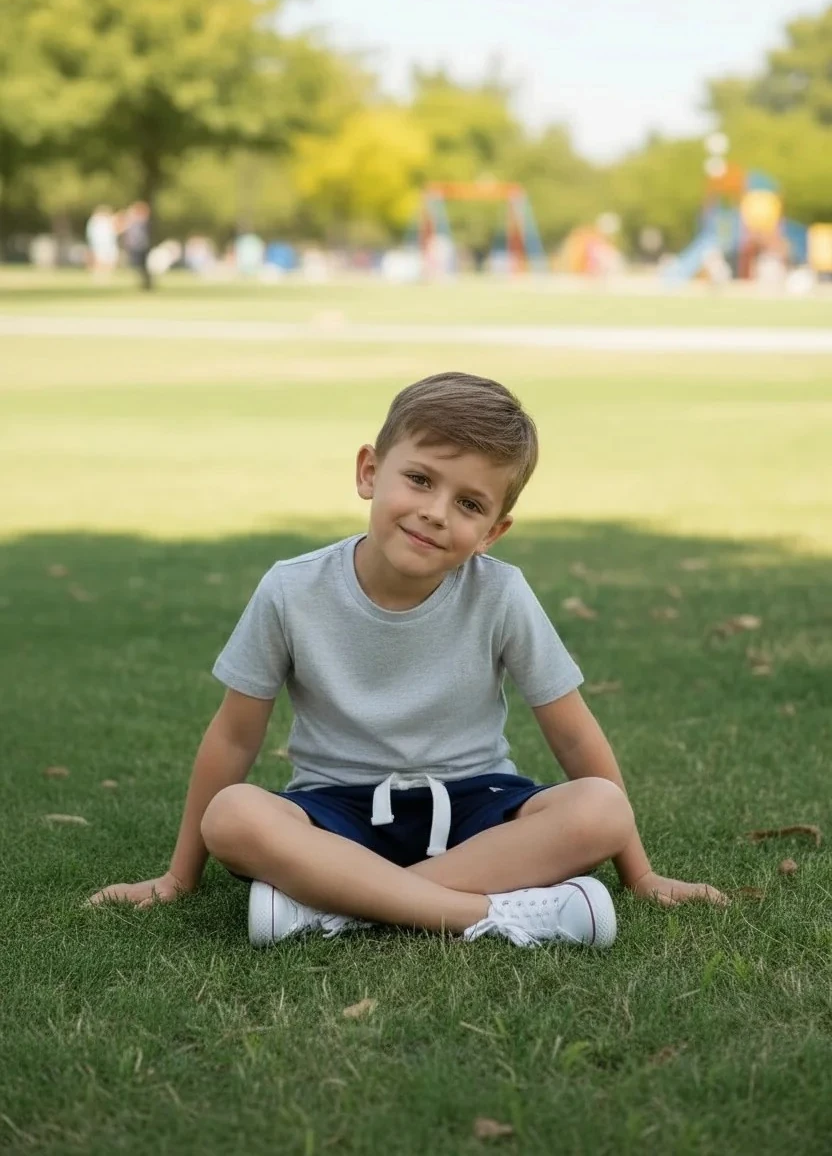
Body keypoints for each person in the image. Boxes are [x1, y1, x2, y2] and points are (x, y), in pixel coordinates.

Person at [88, 373, 726, 947]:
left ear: (493, 531)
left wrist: (638, 873)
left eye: (469, 504)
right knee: (232, 816)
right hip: (334, 814)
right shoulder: (291, 589)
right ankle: (495, 914)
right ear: (370, 471)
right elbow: (233, 736)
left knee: (602, 809)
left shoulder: (500, 593)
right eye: (419, 479)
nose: (434, 512)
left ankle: (333, 906)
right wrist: (179, 876)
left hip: (477, 811)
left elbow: (572, 730)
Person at [121, 200, 152, 290]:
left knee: (142, 266)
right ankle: (145, 283)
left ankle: (146, 284)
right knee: (138, 266)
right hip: (136, 246)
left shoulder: (142, 222)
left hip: (141, 246)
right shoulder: (134, 222)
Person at [85, 205, 119, 277]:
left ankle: (107, 273)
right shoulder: (94, 221)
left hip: (108, 243)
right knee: (100, 259)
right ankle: (98, 273)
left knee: (110, 259)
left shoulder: (109, 220)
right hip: (99, 243)